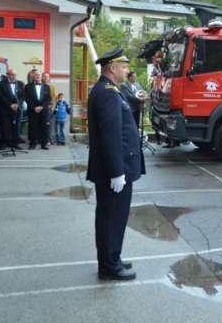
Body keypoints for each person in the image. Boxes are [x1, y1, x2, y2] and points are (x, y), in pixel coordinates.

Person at [86, 48, 144, 281]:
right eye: (123, 66)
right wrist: (117, 172)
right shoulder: (107, 93)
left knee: (115, 217)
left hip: (115, 167)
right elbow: (111, 135)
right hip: (114, 170)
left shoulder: (109, 90)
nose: (127, 70)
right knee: (112, 218)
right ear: (112, 68)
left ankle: (112, 258)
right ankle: (109, 267)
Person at [0, 69, 25, 150]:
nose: (13, 76)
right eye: (11, 74)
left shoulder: (20, 83)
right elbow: (0, 96)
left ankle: (15, 143)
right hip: (6, 109)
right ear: (7, 75)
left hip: (17, 109)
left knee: (16, 127)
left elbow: (23, 96)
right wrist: (10, 105)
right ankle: (4, 143)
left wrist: (18, 104)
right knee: (5, 127)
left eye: (14, 75)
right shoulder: (1, 83)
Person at [24, 71, 51, 150]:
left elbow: (48, 99)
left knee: (44, 127)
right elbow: (27, 98)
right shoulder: (27, 86)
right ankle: (32, 143)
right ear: (33, 76)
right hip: (33, 110)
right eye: (35, 75)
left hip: (43, 110)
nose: (37, 76)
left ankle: (44, 144)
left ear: (41, 77)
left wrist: (42, 107)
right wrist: (34, 107)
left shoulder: (46, 87)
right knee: (33, 127)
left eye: (39, 75)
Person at [42, 73, 58, 144]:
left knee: (49, 124)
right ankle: (41, 139)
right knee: (42, 124)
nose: (45, 78)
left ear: (49, 78)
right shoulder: (40, 86)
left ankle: (48, 139)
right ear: (42, 77)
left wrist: (53, 107)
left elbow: (55, 98)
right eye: (44, 77)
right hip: (41, 108)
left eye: (47, 77)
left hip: (49, 108)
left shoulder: (52, 87)